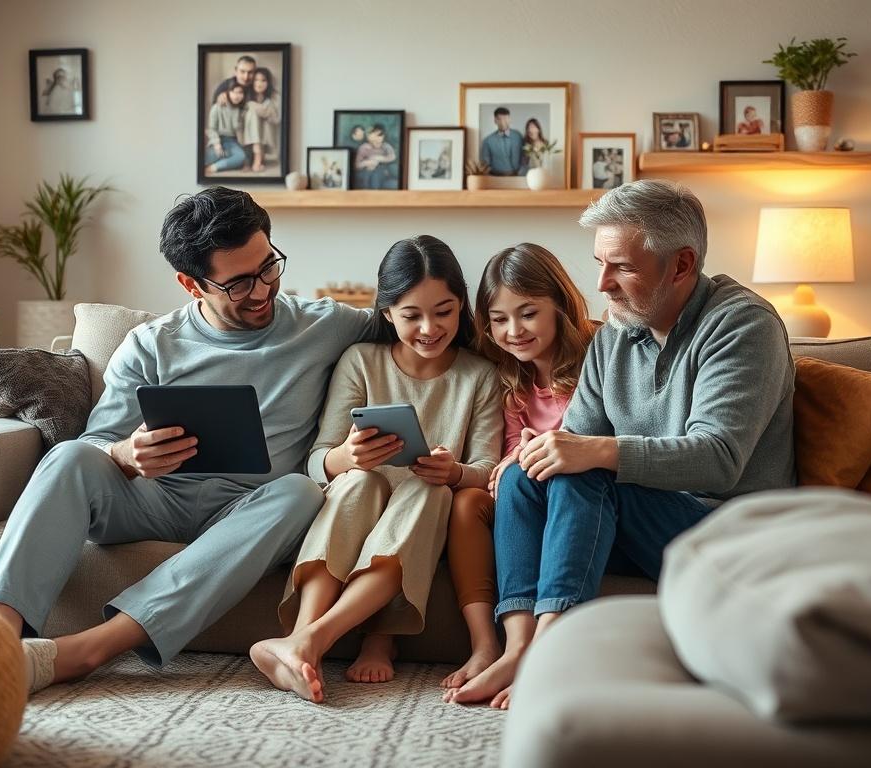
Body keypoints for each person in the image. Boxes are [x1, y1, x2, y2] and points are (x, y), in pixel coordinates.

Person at [0, 188, 377, 695]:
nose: (261, 291)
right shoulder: (151, 343)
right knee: (70, 455)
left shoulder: (326, 325)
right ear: (191, 284)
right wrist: (124, 454)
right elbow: (99, 438)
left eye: (268, 267)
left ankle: (88, 650)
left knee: (299, 492)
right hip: (154, 500)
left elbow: (418, 327)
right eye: (237, 283)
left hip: (252, 513)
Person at [457, 179, 796, 709]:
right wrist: (540, 450)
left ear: (681, 265)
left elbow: (720, 459)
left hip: (726, 533)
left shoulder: (742, 325)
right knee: (528, 474)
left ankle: (552, 652)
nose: (602, 285)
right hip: (642, 525)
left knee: (584, 467)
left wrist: (593, 452)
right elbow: (575, 438)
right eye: (600, 263)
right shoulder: (616, 330)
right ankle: (517, 646)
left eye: (623, 267)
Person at [250, 235, 503, 703]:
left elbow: (486, 468)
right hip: (360, 499)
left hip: (426, 507)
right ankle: (303, 636)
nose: (429, 327)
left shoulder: (479, 375)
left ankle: (313, 644)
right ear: (387, 313)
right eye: (412, 315)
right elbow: (318, 459)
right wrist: (347, 456)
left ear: (462, 307)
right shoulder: (360, 361)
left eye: (444, 311)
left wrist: (454, 472)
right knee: (358, 482)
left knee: (429, 491)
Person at [440, 243, 595, 704]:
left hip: (582, 497)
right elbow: (506, 456)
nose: (514, 331)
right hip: (525, 498)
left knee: (534, 474)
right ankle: (500, 645)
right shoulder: (511, 381)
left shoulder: (596, 361)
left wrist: (533, 454)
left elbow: (599, 436)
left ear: (560, 307)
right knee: (476, 497)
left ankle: (530, 649)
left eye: (527, 314)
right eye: (500, 320)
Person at [242, 67, 281, 172]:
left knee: (255, 112)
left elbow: (276, 118)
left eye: (263, 80)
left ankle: (258, 156)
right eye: (256, 80)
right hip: (247, 137)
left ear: (268, 82)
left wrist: (254, 106)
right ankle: (258, 155)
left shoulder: (273, 97)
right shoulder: (246, 95)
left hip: (267, 135)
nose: (259, 83)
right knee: (252, 114)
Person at [204, 83, 248, 173]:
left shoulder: (242, 110)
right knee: (206, 158)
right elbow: (211, 128)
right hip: (218, 139)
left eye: (240, 92)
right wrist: (217, 143)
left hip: (232, 142)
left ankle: (214, 167)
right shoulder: (217, 107)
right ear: (227, 92)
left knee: (241, 157)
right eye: (233, 92)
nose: (237, 96)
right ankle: (227, 157)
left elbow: (240, 132)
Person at [480, 107, 523, 176]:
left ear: (510, 119)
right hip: (496, 177)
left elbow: (524, 157)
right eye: (499, 119)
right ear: (495, 121)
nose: (503, 122)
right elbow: (485, 164)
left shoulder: (518, 136)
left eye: (506, 118)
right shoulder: (488, 141)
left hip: (518, 176)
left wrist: (520, 173)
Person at [354, 124, 398, 189]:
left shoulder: (385, 146)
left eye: (380, 135)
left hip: (381, 171)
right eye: (374, 135)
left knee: (376, 174)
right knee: (368, 175)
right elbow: (357, 165)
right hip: (366, 170)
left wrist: (379, 158)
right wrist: (368, 162)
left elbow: (393, 156)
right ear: (369, 136)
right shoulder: (364, 147)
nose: (377, 138)